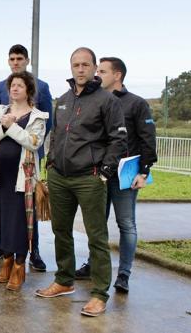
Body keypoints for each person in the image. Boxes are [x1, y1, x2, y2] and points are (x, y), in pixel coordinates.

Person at [36, 47, 127, 317]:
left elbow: (118, 138)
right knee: (60, 231)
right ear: (71, 67)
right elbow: (55, 136)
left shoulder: (106, 100)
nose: (80, 69)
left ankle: (99, 294)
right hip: (60, 177)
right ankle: (64, 280)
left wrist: (105, 171)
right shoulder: (62, 100)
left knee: (96, 237)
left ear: (94, 67)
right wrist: (50, 163)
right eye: (76, 64)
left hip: (89, 177)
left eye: (86, 64)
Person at [74, 57, 157, 293]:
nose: (96, 74)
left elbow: (148, 139)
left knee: (126, 224)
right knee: (96, 224)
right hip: (98, 173)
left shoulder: (137, 104)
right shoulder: (96, 100)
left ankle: (123, 275)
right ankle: (93, 265)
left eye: (102, 71)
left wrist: (144, 171)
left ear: (117, 75)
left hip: (125, 176)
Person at [0, 44, 52, 271]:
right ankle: (5, 247)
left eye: (19, 58)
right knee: (5, 207)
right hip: (2, 161)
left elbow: (47, 120)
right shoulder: (0, 87)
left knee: (27, 205)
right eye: (12, 59)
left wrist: (31, 143)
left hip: (29, 155)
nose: (16, 62)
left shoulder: (41, 86)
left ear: (27, 60)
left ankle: (33, 251)